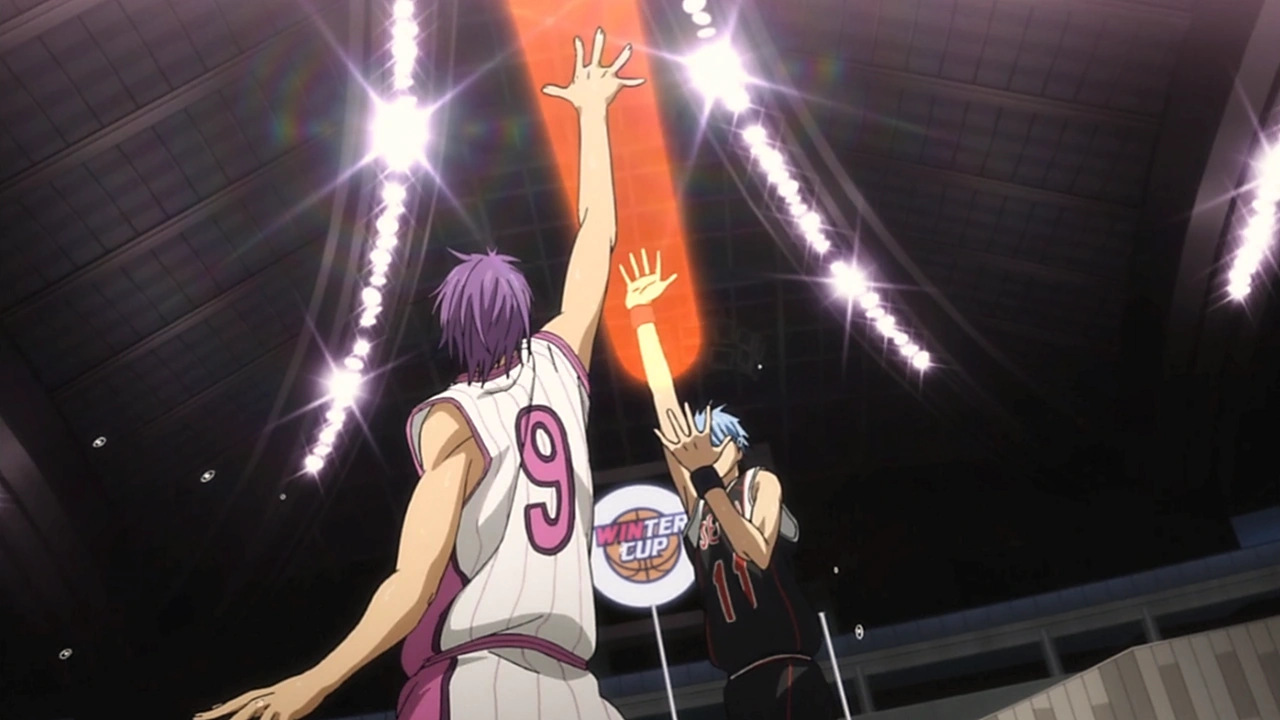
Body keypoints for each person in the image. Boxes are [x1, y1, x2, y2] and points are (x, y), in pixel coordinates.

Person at [195, 28, 643, 720]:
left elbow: (414, 580)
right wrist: (592, 114)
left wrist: (316, 680)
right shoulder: (559, 361)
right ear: (525, 315)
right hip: (576, 689)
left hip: (482, 679)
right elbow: (597, 237)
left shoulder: (453, 418)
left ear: (454, 333)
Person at [619, 250, 839, 720]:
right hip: (739, 681)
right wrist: (641, 317)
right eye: (701, 448)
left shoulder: (760, 484)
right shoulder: (699, 501)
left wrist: (706, 480)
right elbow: (664, 403)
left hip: (790, 668)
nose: (705, 455)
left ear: (737, 451)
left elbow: (756, 551)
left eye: (715, 446)